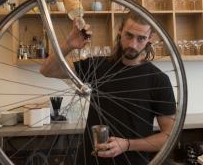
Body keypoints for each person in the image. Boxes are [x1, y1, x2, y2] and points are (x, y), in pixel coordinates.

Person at [40, 12, 176, 165]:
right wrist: (69, 44)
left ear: (150, 38)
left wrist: (127, 145)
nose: (133, 44)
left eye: (141, 38)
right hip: (89, 160)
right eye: (129, 35)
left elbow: (169, 136)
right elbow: (47, 70)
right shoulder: (98, 66)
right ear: (120, 31)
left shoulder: (158, 80)